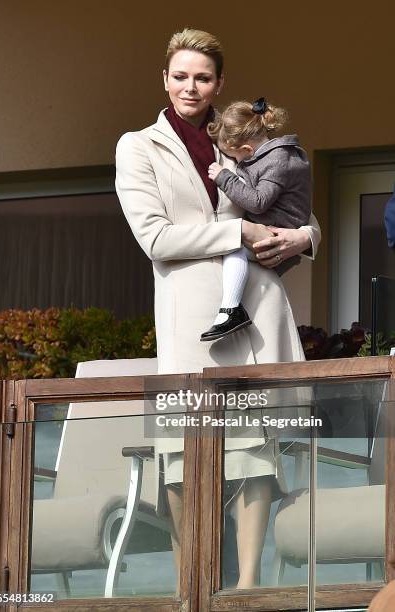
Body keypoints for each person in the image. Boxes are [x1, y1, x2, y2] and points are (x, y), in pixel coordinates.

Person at [115, 28, 321, 591]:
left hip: (257, 312)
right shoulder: (138, 146)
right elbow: (156, 238)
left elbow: (291, 200)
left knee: (255, 460)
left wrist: (307, 236)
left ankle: (250, 591)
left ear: (219, 83)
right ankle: (194, 590)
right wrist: (239, 228)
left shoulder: (241, 135)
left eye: (202, 77)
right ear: (164, 79)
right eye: (180, 75)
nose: (191, 86)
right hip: (191, 323)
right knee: (186, 461)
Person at [200, 98, 311, 341]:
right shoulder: (273, 156)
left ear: (248, 150)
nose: (237, 164)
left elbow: (258, 202)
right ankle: (232, 310)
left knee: (233, 247)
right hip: (275, 226)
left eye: (235, 157)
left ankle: (231, 310)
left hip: (277, 232)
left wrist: (225, 178)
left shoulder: (277, 161)